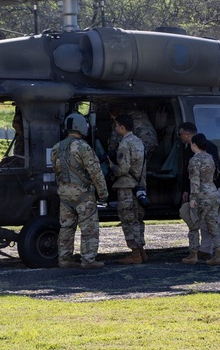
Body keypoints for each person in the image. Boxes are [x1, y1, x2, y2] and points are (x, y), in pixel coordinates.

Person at [51, 112, 109, 269]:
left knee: (66, 228)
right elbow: (96, 172)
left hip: (64, 195)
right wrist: (103, 193)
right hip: (83, 195)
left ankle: (64, 259)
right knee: (89, 228)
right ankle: (88, 260)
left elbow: (57, 172)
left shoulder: (56, 148)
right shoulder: (83, 147)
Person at [177, 121, 220, 259]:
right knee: (204, 220)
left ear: (187, 134)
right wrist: (185, 189)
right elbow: (186, 173)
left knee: (216, 220)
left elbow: (214, 172)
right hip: (209, 190)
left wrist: (194, 196)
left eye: (180, 134)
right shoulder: (190, 150)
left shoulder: (206, 149)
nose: (180, 137)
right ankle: (207, 248)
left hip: (209, 190)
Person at [109, 113, 148, 264]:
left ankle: (135, 253)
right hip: (139, 186)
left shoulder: (125, 144)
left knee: (128, 219)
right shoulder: (139, 141)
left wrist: (112, 166)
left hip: (126, 186)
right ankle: (141, 251)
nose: (116, 129)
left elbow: (123, 168)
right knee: (138, 219)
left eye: (117, 126)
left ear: (122, 127)